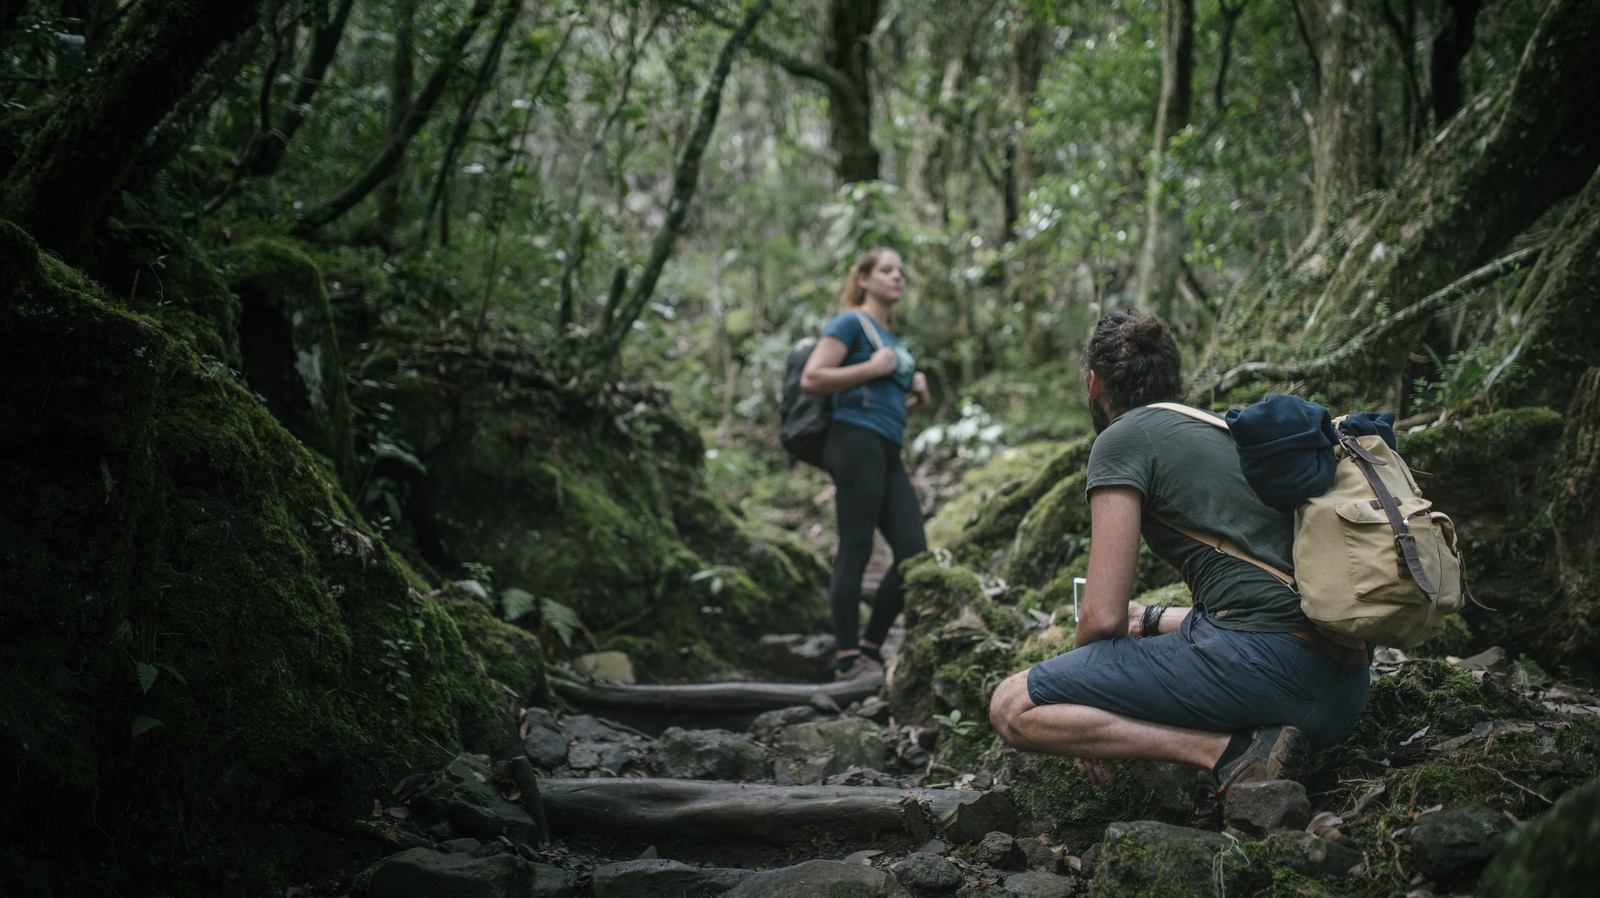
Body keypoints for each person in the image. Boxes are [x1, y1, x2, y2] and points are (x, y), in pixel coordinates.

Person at [987, 310, 1370, 792]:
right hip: (1344, 693)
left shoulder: (1120, 440)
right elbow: (1263, 600)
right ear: (1174, 377)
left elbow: (1100, 618)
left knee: (1014, 703)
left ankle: (1229, 755)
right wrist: (1149, 617)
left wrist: (1085, 695)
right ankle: (1252, 742)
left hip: (1272, 676)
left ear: (1093, 385)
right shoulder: (1225, 432)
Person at [801, 248, 932, 680]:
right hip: (852, 440)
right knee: (856, 546)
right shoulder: (849, 323)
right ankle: (846, 658)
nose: (897, 277)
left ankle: (870, 648)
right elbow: (813, 378)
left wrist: (915, 397)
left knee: (913, 553)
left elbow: (884, 404)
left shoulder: (891, 336)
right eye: (886, 270)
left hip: (886, 447)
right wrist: (874, 367)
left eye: (900, 270)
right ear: (863, 279)